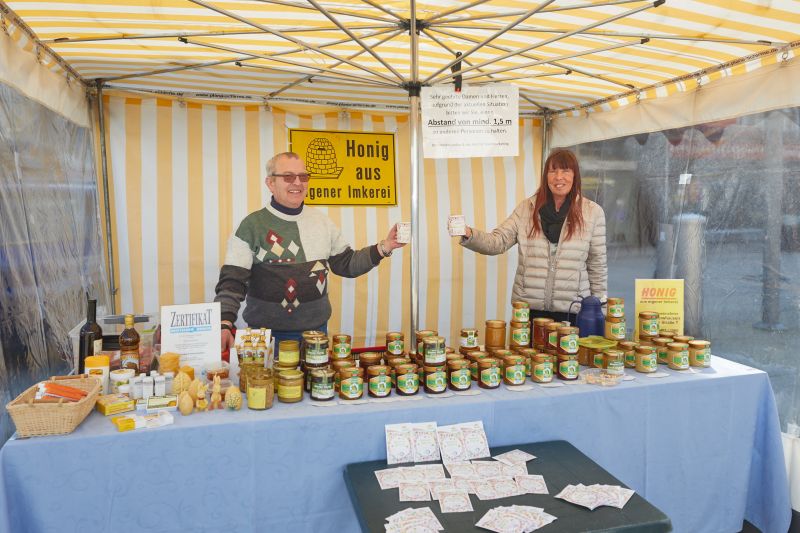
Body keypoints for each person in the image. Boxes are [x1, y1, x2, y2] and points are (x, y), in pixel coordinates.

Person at [215, 151, 405, 352]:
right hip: (267, 338)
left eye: (303, 176)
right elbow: (232, 282)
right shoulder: (251, 226)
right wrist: (224, 322)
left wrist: (385, 246)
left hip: (316, 335)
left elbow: (347, 264)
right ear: (270, 183)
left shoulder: (322, 222)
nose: (297, 183)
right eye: (288, 176)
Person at [455, 148, 607, 323]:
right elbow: (497, 242)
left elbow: (597, 266)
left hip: (573, 311)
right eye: (553, 171)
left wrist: (600, 311)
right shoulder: (527, 209)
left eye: (565, 170)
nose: (559, 177)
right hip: (529, 311)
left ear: (575, 175)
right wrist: (469, 234)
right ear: (545, 176)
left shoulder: (592, 213)